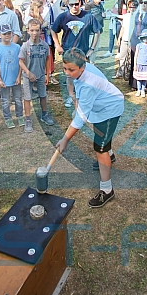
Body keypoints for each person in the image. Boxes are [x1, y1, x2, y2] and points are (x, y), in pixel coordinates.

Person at [56, 48, 125, 208]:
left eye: (71, 70)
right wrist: (77, 102)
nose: (67, 72)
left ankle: (107, 190)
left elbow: (81, 118)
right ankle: (110, 155)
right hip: (99, 106)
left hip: (109, 109)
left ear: (82, 67)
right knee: (102, 137)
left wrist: (65, 139)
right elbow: (80, 98)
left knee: (99, 148)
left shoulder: (88, 83)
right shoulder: (81, 70)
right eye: (64, 68)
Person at [51, 0, 102, 107]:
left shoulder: (88, 16)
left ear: (80, 3)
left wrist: (92, 48)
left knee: (83, 76)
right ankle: (71, 96)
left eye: (77, 4)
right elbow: (53, 30)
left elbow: (97, 32)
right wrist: (57, 45)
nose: (74, 6)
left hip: (83, 53)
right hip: (68, 52)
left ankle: (84, 97)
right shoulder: (63, 17)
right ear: (68, 4)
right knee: (70, 76)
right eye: (71, 4)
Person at [19, 20, 54, 132]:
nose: (35, 33)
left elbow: (48, 60)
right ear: (28, 31)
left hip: (40, 75)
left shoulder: (45, 46)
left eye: (37, 30)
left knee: (43, 95)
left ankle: (44, 114)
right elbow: (20, 61)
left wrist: (47, 74)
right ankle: (28, 119)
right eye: (32, 30)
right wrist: (28, 73)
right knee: (27, 97)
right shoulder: (25, 46)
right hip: (27, 76)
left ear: (40, 31)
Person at [0, 24, 24, 128]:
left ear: (12, 34)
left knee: (18, 98)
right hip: (4, 80)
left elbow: (20, 63)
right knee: (5, 100)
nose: (7, 35)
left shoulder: (17, 47)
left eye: (9, 33)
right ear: (0, 35)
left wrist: (19, 76)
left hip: (15, 79)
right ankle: (8, 118)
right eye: (4, 33)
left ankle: (20, 116)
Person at [133, 30, 147, 97]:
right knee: (139, 78)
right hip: (139, 64)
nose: (145, 39)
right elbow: (136, 55)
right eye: (144, 38)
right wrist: (135, 65)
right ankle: (138, 90)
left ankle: (143, 90)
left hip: (146, 64)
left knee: (144, 78)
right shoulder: (139, 45)